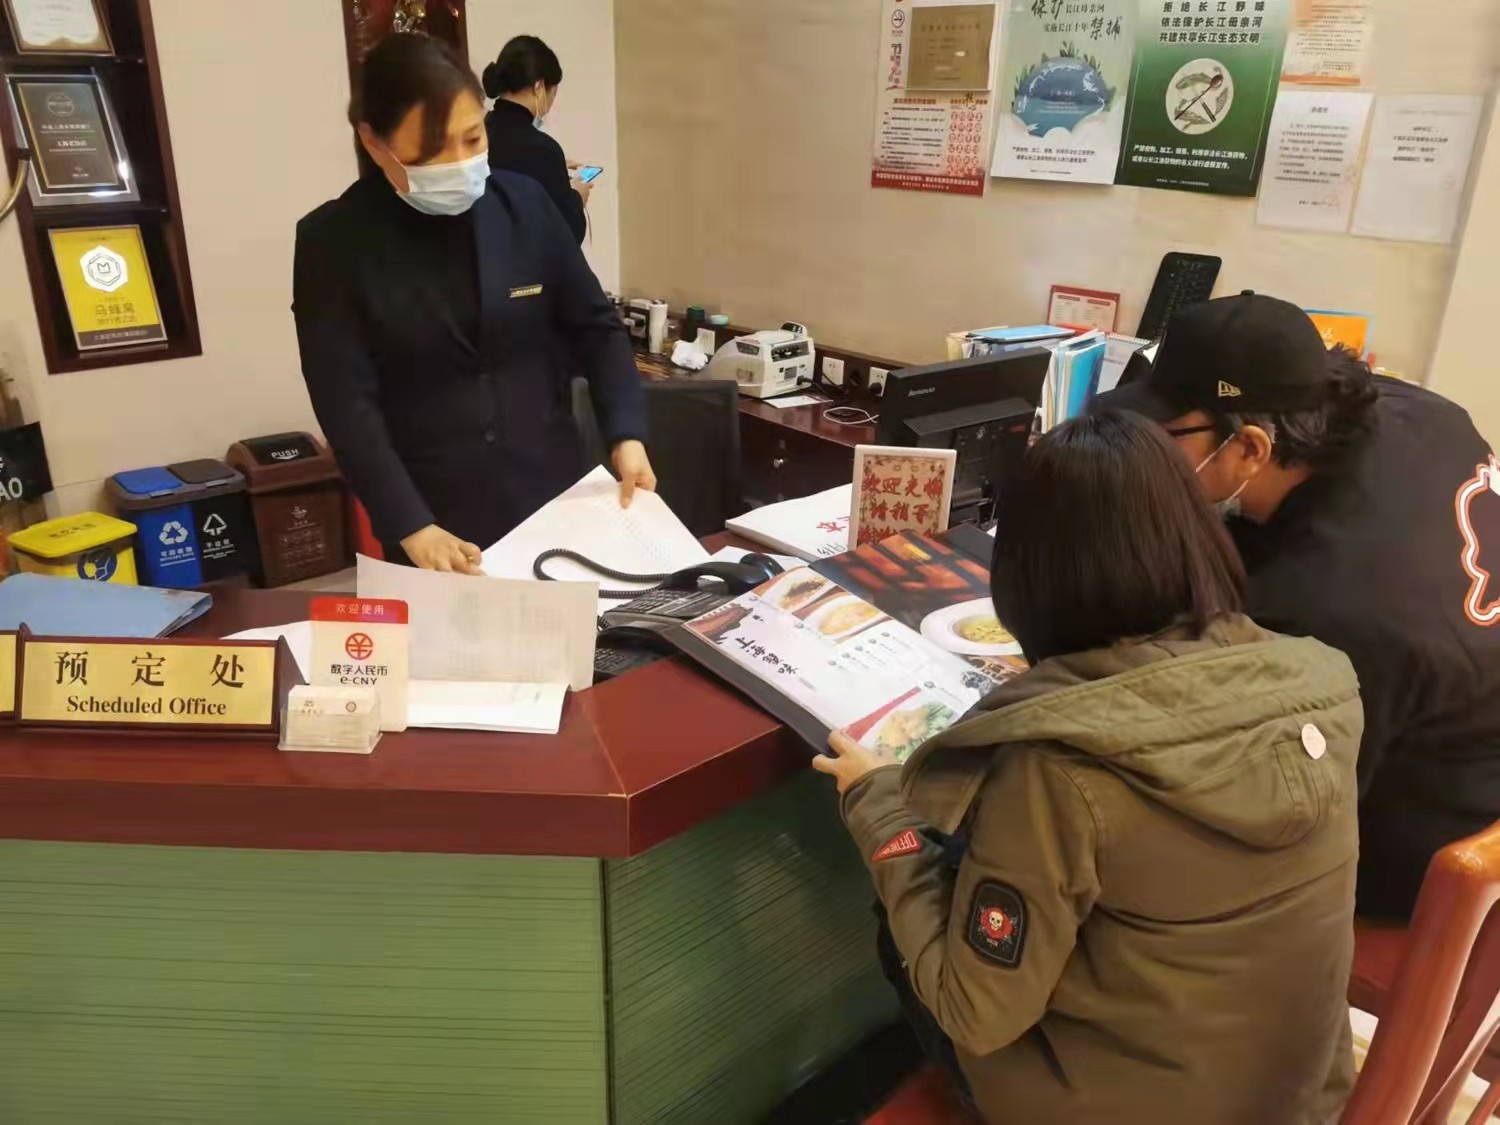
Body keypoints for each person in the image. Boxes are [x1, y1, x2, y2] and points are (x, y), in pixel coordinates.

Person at [815, 412, 1362, 1124]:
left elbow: (975, 1011)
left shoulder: (1058, 769)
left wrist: (880, 807)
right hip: (1300, 1098)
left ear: (1028, 574)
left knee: (914, 891)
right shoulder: (1326, 681)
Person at [1095, 292, 1500, 919]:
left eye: (1165, 436)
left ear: (1251, 448)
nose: (1148, 450)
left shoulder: (1321, 614)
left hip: (1421, 829)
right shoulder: (1417, 408)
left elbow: (1281, 823)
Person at [293, 33, 653, 573]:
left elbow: (595, 327)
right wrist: (411, 526)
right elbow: (346, 404)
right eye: (431, 151)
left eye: (471, 138)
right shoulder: (333, 242)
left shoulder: (524, 205)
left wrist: (626, 433)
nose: (459, 163)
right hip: (434, 517)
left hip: (553, 493)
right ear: (374, 142)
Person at [483, 35, 588, 244]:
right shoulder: (543, 149)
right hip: (527, 263)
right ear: (539, 87)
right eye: (553, 92)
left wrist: (555, 167)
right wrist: (577, 197)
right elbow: (567, 234)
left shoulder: (481, 132)